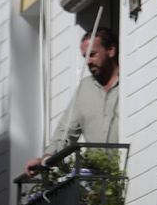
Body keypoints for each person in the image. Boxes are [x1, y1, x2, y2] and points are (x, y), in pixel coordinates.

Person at [25, 27, 121, 174]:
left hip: (130, 172)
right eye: (85, 57)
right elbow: (66, 132)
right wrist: (47, 158)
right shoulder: (84, 88)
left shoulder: (129, 80)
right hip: (97, 182)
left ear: (111, 50)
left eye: (92, 55)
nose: (88, 62)